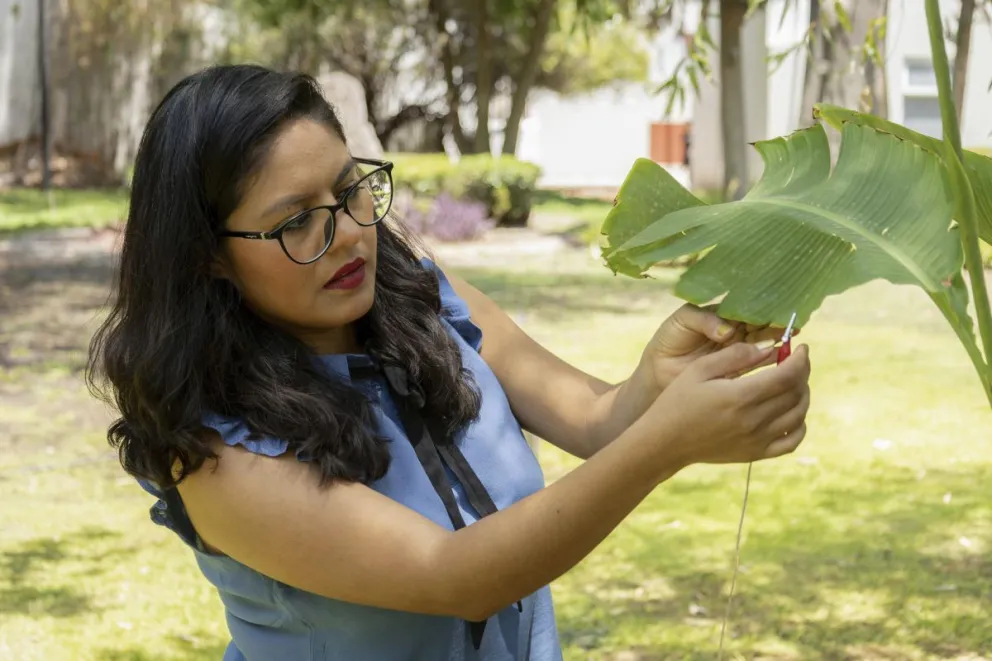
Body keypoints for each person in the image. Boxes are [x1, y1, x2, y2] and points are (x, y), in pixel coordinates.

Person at [87, 64, 811, 661]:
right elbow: (456, 576)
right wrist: (668, 443)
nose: (347, 236)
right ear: (208, 255)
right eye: (297, 220)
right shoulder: (217, 453)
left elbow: (595, 419)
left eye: (349, 190)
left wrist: (661, 378)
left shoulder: (423, 297)